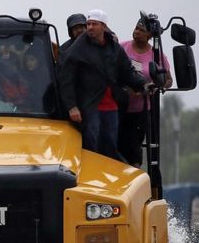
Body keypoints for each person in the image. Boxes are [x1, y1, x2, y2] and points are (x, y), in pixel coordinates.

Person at [58, 9, 149, 160]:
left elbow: (126, 71)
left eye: (94, 24)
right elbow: (66, 78)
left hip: (111, 105)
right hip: (89, 106)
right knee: (91, 147)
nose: (90, 28)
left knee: (110, 147)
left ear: (104, 26)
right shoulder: (77, 48)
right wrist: (72, 106)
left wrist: (143, 84)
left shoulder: (114, 47)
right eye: (88, 24)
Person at [118, 19, 173, 167]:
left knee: (134, 147)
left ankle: (135, 175)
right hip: (118, 107)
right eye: (136, 28)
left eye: (141, 30)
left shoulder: (156, 55)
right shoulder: (122, 48)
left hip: (141, 110)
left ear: (149, 35)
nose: (137, 32)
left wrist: (158, 87)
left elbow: (168, 79)